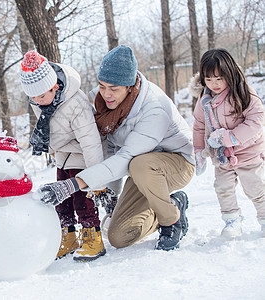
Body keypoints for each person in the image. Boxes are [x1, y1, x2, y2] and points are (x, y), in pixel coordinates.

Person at [36, 45, 195, 251]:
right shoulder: (103, 106)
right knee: (119, 236)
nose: (106, 94)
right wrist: (110, 194)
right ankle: (172, 204)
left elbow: (126, 157)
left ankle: (171, 221)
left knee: (140, 164)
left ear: (129, 86)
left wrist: (72, 185)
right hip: (141, 171)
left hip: (177, 163)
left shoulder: (155, 108)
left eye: (114, 88)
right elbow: (110, 150)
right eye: (102, 86)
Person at [20, 50, 106, 261]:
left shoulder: (76, 103)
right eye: (32, 97)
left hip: (82, 154)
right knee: (61, 199)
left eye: (41, 96)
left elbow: (90, 140)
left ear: (55, 87)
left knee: (82, 199)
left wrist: (97, 177)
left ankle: (92, 237)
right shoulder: (38, 101)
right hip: (62, 155)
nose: (37, 101)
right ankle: (67, 236)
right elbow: (49, 129)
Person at [191, 48, 264, 237]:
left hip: (248, 151)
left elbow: (256, 121)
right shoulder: (205, 99)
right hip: (222, 154)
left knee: (255, 187)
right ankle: (232, 220)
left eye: (219, 78)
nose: (214, 84)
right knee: (222, 188)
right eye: (208, 79)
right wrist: (199, 151)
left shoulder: (243, 93)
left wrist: (230, 137)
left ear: (229, 74)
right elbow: (199, 124)